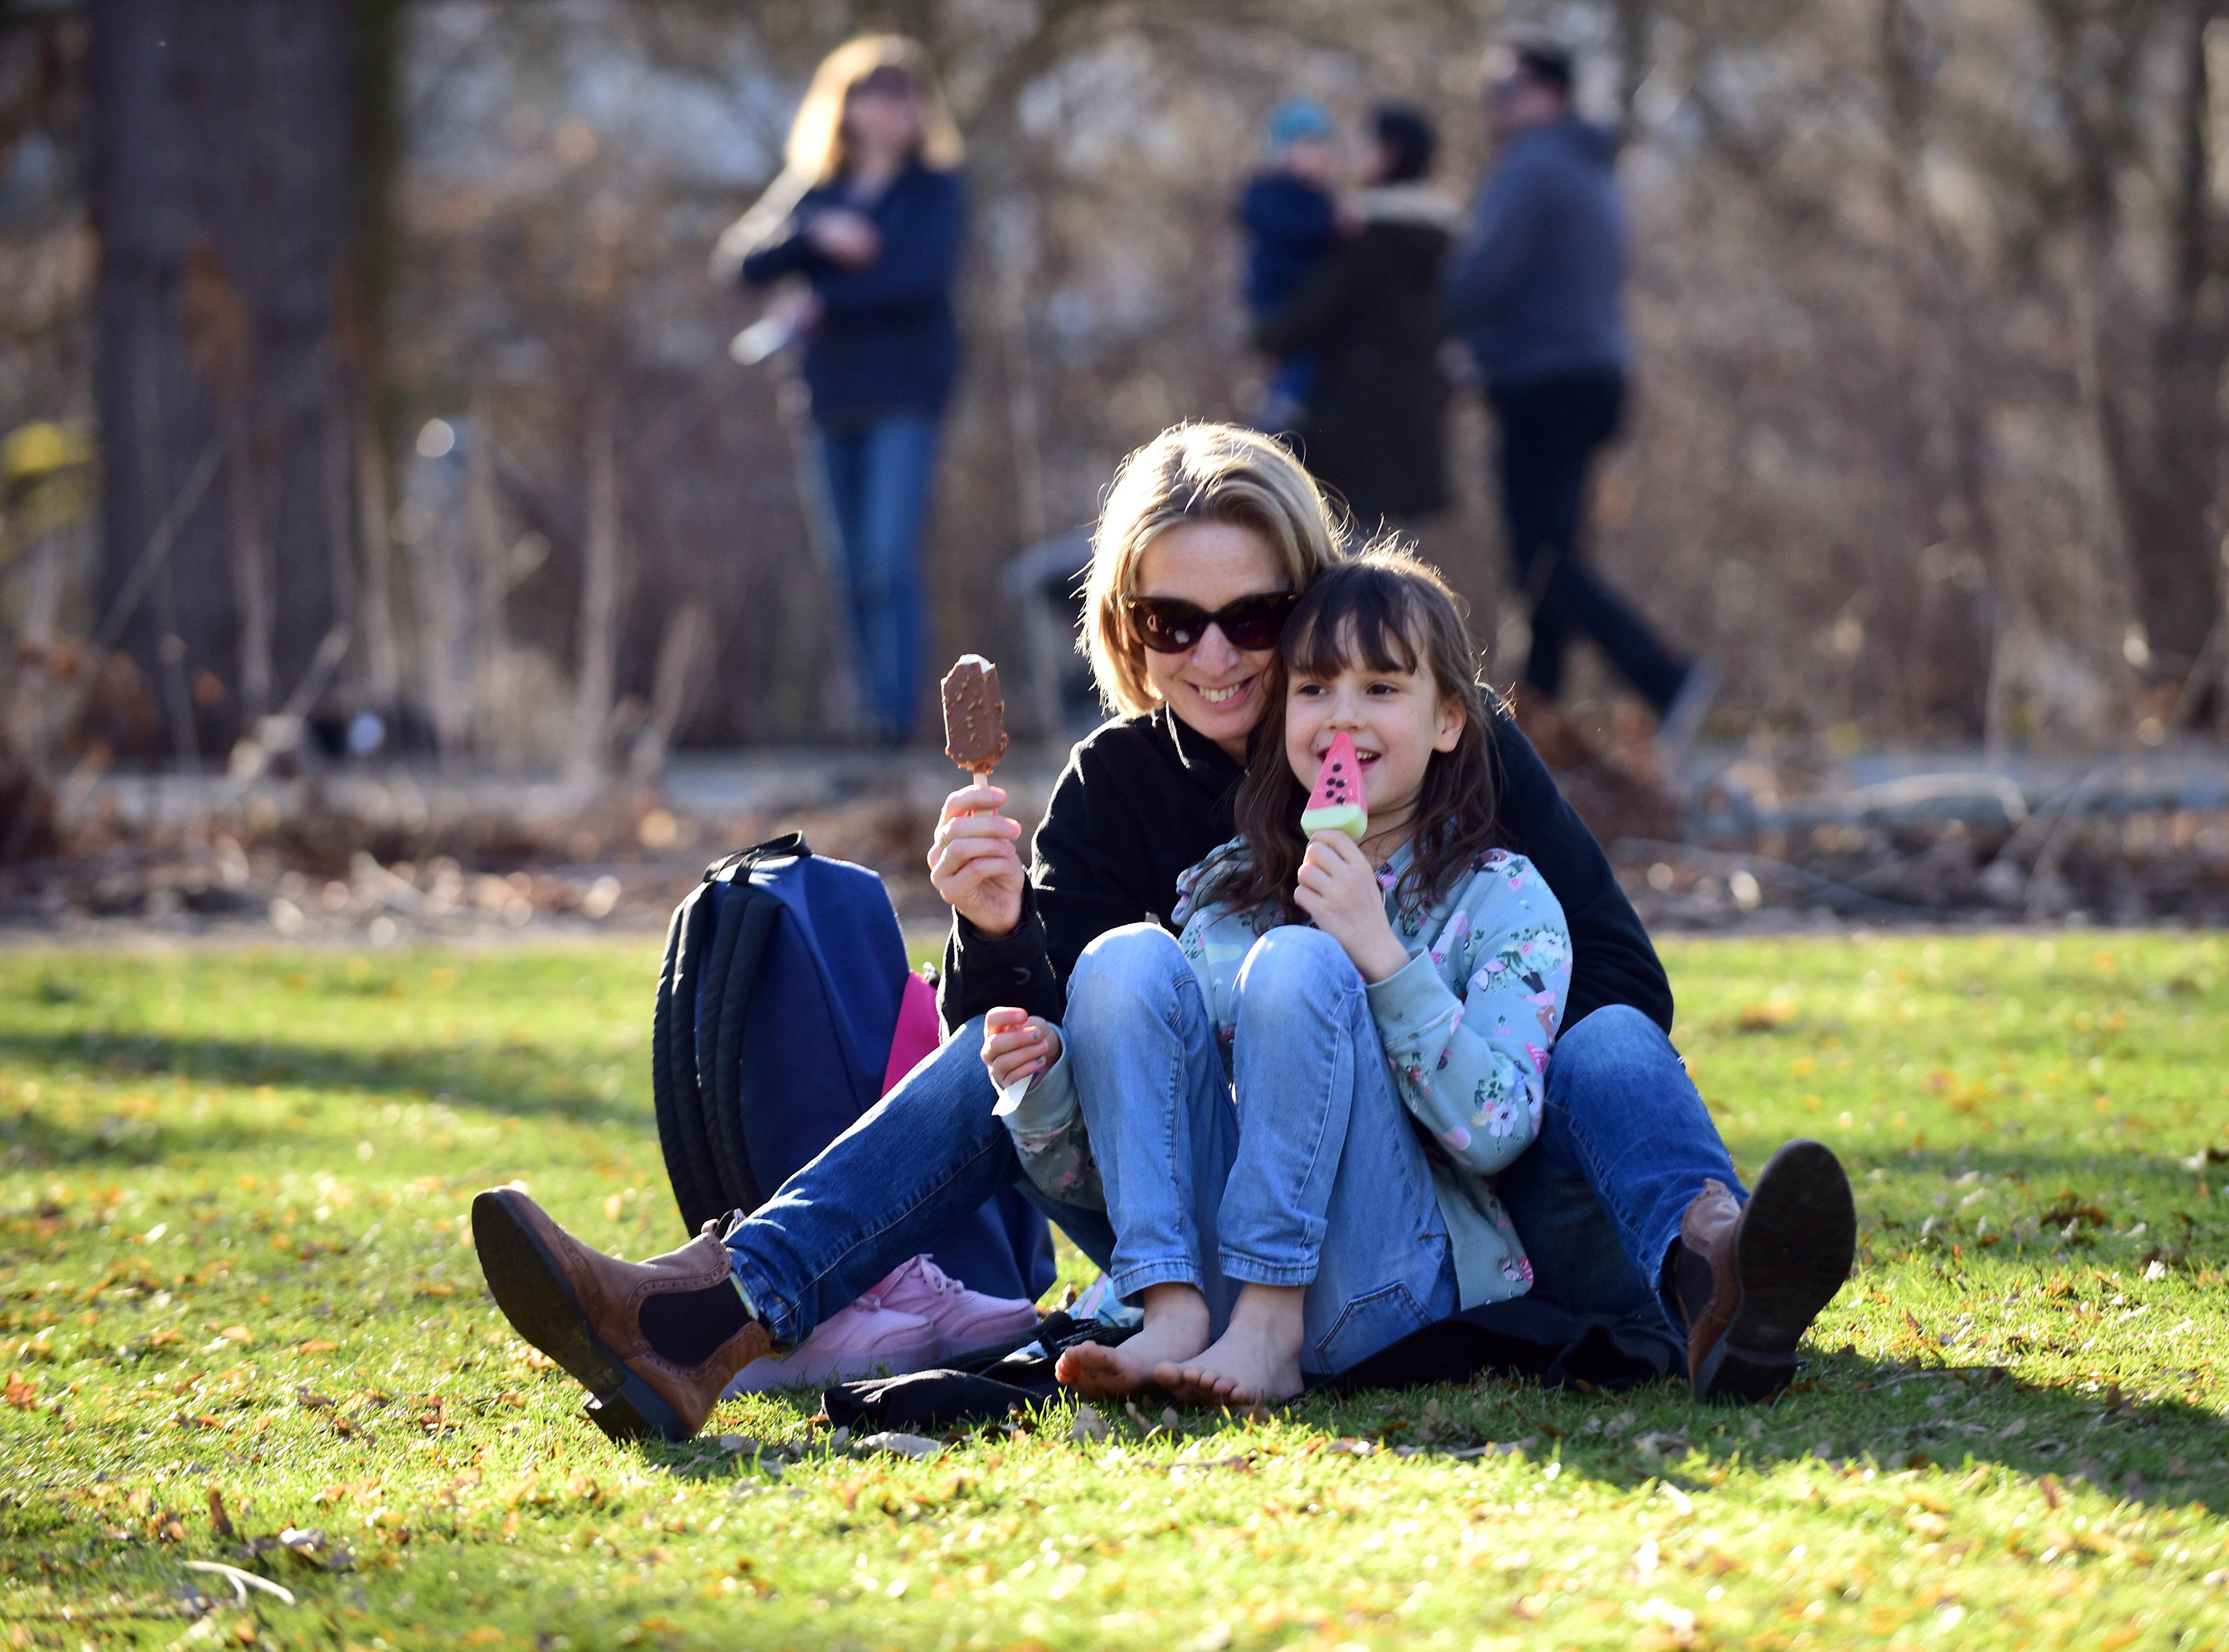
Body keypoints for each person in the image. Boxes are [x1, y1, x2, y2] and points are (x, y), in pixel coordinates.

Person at [469, 423, 1851, 1443]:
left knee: (1606, 1039)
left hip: (1477, 1196)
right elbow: (1036, 1080)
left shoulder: (1441, 744)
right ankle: (705, 1312)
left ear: (1315, 599)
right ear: (1123, 630)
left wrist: (1408, 1005)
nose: (1216, 654)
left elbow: (1610, 977)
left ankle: (1714, 1273)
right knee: (1023, 1036)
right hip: (1194, 1221)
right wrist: (995, 937)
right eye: (1168, 619)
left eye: (1254, 615)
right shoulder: (1120, 788)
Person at [985, 554, 1568, 1402]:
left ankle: (1269, 1330)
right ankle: (1172, 1311)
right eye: (1315, 688)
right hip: (1209, 1291)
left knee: (1302, 961)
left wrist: (1382, 956)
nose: (1342, 720)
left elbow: (1500, 1130)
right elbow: (1100, 1178)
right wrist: (1043, 1090)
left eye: (1381, 690)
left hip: (1390, 1288)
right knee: (1122, 957)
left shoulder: (1505, 899)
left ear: (1449, 719)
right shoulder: (1225, 894)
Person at [1448, 41, 1716, 756]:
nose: (1493, 105)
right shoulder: (1588, 165)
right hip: (1591, 378)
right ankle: (1536, 723)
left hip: (1544, 383)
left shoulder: (1533, 166)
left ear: (1547, 94)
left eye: (1505, 89)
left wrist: (1420, 311)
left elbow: (1481, 280)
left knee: (1542, 561)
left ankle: (1665, 680)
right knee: (1554, 557)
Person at [723, 36, 967, 746]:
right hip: (828, 396)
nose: (898, 107)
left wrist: (824, 306)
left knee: (889, 557)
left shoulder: (935, 189)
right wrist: (814, 231)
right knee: (848, 568)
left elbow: (919, 281)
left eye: (908, 93)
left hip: (906, 393)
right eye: (881, 93)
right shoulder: (815, 188)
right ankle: (866, 715)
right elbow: (740, 261)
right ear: (848, 106)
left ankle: (897, 720)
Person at [1257, 105, 1456, 529]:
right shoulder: (1444, 239)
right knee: (1399, 570)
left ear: (1389, 154)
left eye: (1366, 144)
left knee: (1347, 570)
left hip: (1354, 440)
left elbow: (1292, 326)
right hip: (1416, 434)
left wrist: (1265, 329)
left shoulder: (1366, 240)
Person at [1236, 98, 1341, 434]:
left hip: (1297, 295)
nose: (1321, 155)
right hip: (1279, 294)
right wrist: (1332, 224)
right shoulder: (1275, 194)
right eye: (1311, 145)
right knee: (1299, 359)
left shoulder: (1313, 196)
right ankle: (1283, 409)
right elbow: (1294, 228)